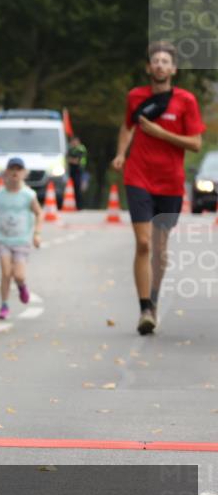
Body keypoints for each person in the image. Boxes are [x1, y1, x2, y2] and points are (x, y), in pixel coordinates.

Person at [111, 41, 204, 336]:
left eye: (166, 61)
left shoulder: (186, 101)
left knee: (160, 251)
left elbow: (195, 143)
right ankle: (144, 310)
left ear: (173, 69)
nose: (161, 65)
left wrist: (162, 133)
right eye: (156, 61)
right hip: (138, 177)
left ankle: (153, 298)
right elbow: (127, 126)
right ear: (149, 67)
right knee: (143, 243)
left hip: (170, 182)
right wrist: (122, 153)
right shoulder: (135, 97)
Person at [0, 157, 42, 320]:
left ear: (24, 173)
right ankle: (4, 305)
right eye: (12, 169)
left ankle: (22, 286)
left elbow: (39, 213)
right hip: (3, 240)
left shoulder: (29, 195)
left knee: (19, 275)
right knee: (6, 273)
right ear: (6, 172)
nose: (15, 172)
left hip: (22, 240)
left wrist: (37, 234)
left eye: (19, 169)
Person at [66, 135, 88, 210]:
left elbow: (76, 161)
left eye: (74, 141)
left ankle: (79, 206)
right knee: (72, 188)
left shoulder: (81, 149)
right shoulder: (72, 149)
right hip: (73, 171)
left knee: (78, 189)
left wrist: (70, 160)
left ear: (78, 141)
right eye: (72, 141)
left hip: (79, 171)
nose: (73, 143)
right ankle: (74, 205)